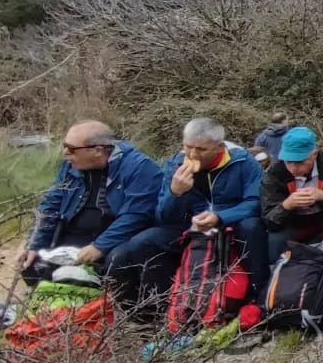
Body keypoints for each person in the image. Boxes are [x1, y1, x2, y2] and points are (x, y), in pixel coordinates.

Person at [21, 121, 163, 307]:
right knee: (30, 261)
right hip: (72, 236)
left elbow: (136, 215)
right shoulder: (69, 167)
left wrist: (100, 246)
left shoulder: (141, 168)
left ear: (97, 150)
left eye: (71, 149)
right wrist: (34, 243)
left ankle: (118, 316)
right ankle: (54, 311)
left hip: (115, 240)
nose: (65, 154)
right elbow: (50, 206)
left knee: (116, 261)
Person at [155, 118, 269, 300]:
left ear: (219, 146)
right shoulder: (175, 164)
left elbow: (256, 202)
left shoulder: (243, 161)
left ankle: (257, 293)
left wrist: (220, 216)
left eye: (201, 149)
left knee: (252, 227)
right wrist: (175, 193)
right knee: (143, 243)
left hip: (231, 219)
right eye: (188, 146)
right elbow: (163, 216)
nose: (192, 154)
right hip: (191, 222)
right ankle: (161, 302)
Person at [259, 127, 323, 260]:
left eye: (300, 162)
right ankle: (276, 275)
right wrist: (287, 205)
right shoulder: (274, 173)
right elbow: (268, 219)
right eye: (288, 162)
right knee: (275, 239)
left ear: (314, 154)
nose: (293, 168)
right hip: (293, 222)